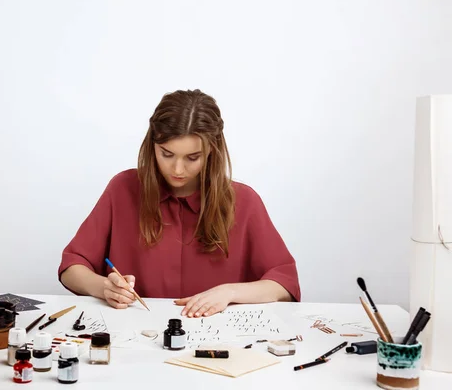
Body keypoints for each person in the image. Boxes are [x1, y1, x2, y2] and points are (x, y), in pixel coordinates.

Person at [58, 89, 300, 318]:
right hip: (134, 338)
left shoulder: (244, 201)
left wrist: (230, 293)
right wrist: (103, 287)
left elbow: (284, 284)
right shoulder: (122, 189)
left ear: (211, 152)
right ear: (152, 146)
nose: (177, 169)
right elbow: (72, 268)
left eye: (192, 158)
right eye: (167, 154)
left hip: (217, 344)